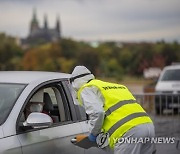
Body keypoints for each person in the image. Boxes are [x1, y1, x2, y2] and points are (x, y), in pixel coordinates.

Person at [70, 66, 156, 154]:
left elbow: (97, 113)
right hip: (148, 126)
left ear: (74, 82)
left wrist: (92, 135)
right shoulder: (114, 86)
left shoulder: (86, 88)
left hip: (128, 132)